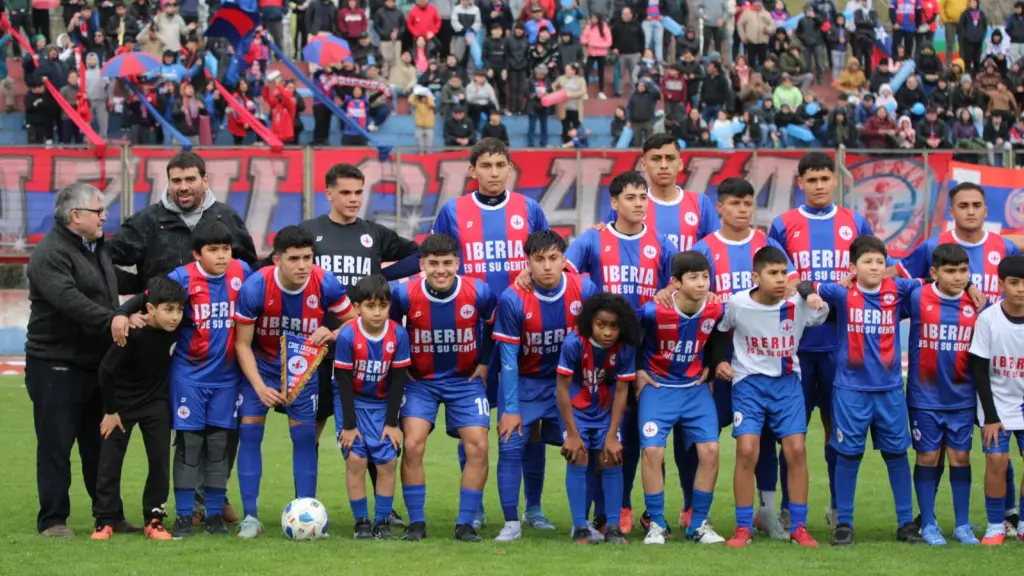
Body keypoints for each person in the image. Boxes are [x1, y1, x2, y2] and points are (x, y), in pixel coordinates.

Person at [106, 150, 255, 524]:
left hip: (221, 338)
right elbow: (108, 259)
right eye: (176, 180)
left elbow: (252, 273)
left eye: (191, 179)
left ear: (205, 180)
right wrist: (126, 307)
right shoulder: (147, 221)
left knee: (223, 431)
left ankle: (212, 498)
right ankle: (185, 504)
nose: (183, 187)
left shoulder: (226, 218)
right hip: (168, 338)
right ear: (168, 182)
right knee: (187, 429)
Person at [427, 138, 551, 527]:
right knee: (474, 425)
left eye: (501, 165)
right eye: (486, 166)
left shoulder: (529, 209)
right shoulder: (453, 211)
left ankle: (533, 508)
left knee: (528, 426)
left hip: (525, 331)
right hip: (472, 333)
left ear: (510, 168)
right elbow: (438, 261)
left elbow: (547, 256)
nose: (494, 173)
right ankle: (474, 509)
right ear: (472, 170)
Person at [891, 182, 1020, 532]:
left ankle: (1007, 513)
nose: (971, 211)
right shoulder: (933, 246)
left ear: (986, 210)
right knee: (936, 451)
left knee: (998, 442)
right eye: (962, 205)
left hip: (995, 366)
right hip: (945, 366)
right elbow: (902, 276)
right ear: (951, 210)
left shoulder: (1003, 246)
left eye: (977, 204)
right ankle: (927, 517)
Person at [297, 163, 420, 526]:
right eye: (346, 192)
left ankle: (383, 513)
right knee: (311, 430)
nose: (353, 199)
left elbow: (418, 255)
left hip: (371, 351)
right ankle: (305, 509)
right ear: (329, 193)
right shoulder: (310, 232)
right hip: (319, 350)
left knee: (374, 436)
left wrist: (381, 275)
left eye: (358, 192)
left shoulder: (374, 235)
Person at [768, 152, 877, 529]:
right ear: (800, 183)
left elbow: (871, 272)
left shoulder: (855, 222)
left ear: (835, 181)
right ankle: (785, 506)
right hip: (795, 348)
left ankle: (835, 506)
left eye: (824, 179)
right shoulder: (783, 224)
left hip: (841, 346)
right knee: (790, 431)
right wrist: (807, 289)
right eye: (810, 180)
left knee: (837, 430)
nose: (818, 186)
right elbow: (778, 276)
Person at [797, 235, 925, 546]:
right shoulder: (842, 292)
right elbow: (804, 285)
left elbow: (929, 283)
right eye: (868, 262)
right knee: (848, 454)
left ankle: (906, 522)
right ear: (853, 267)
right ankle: (845, 523)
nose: (875, 267)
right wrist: (812, 295)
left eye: (881, 262)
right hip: (851, 390)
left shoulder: (899, 290)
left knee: (896, 454)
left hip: (890, 389)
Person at [25, 183, 137, 537]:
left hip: (96, 364)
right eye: (98, 210)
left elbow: (113, 284)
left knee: (100, 444)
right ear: (76, 216)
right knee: (56, 443)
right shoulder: (49, 254)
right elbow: (69, 300)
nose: (105, 216)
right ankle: (53, 520)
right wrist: (114, 319)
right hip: (55, 364)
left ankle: (108, 515)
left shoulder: (96, 248)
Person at [232, 226, 356, 538]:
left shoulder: (324, 282)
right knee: (249, 433)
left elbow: (354, 321)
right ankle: (250, 518)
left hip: (303, 370)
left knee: (304, 440)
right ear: (276, 260)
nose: (303, 265)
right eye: (294, 259)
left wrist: (331, 333)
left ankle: (308, 513)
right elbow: (242, 344)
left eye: (307, 257)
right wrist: (259, 386)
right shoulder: (255, 287)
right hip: (261, 368)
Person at [691, 178, 797, 540]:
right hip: (717, 361)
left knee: (764, 436)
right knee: (700, 433)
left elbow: (795, 288)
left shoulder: (768, 245)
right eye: (735, 203)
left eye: (748, 204)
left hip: (762, 363)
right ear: (719, 207)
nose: (742, 210)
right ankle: (693, 509)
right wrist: (713, 357)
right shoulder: (704, 248)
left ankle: (765, 510)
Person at [712, 246, 827, 548]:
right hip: (748, 384)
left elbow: (821, 307)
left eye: (783, 273)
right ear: (756, 276)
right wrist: (719, 362)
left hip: (787, 384)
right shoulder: (737, 303)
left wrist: (808, 291)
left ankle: (799, 526)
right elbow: (719, 330)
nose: (779, 280)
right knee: (747, 450)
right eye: (772, 273)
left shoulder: (798, 303)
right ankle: (742, 527)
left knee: (797, 450)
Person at [492, 231, 598, 542]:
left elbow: (596, 343)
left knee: (582, 447)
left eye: (554, 258)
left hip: (568, 385)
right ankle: (512, 522)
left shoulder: (584, 289)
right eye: (539, 260)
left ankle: (581, 524)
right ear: (528, 263)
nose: (547, 267)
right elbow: (508, 359)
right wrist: (510, 409)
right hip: (527, 383)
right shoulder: (513, 299)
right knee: (511, 443)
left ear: (565, 261)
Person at [391, 234, 496, 542]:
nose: (440, 270)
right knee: (412, 444)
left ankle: (465, 524)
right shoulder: (404, 294)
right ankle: (417, 523)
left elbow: (493, 325)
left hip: (465, 382)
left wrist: (485, 362)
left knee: (478, 445)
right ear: (422, 264)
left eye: (447, 263)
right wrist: (402, 365)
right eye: (433, 263)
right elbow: (392, 331)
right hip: (421, 382)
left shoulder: (478, 291)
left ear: (457, 263)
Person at [634, 251, 726, 546]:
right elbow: (630, 335)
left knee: (711, 451)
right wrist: (637, 370)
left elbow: (720, 335)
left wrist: (712, 367)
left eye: (705, 277)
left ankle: (698, 523)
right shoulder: (653, 311)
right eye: (694, 277)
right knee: (652, 453)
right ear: (675, 282)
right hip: (659, 389)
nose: (701, 283)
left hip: (694, 389)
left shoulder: (715, 309)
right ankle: (657, 524)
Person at [91, 276, 185, 541]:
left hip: (156, 404)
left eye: (179, 310)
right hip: (120, 407)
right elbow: (106, 370)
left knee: (159, 462)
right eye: (168, 310)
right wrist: (110, 411)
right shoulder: (133, 333)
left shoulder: (177, 327)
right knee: (110, 463)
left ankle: (154, 519)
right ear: (150, 309)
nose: (175, 317)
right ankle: (104, 520)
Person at [903, 244, 981, 546]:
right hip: (924, 396)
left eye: (964, 271)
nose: (958, 277)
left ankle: (962, 525)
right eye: (950, 271)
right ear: (934, 272)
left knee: (960, 457)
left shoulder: (977, 303)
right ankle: (929, 523)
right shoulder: (917, 295)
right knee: (928, 456)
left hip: (962, 397)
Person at [556, 292, 638, 545]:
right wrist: (571, 433)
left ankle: (612, 527)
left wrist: (613, 435)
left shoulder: (624, 349)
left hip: (605, 411)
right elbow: (561, 388)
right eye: (601, 325)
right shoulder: (573, 343)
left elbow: (622, 390)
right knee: (578, 456)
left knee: (612, 458)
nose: (607, 332)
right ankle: (580, 527)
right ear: (590, 322)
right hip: (576, 410)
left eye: (614, 326)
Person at [334, 275, 410, 540]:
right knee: (356, 459)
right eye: (370, 306)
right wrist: (349, 426)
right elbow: (343, 383)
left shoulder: (398, 334)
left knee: (387, 461)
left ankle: (382, 523)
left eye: (383, 306)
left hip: (382, 406)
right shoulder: (347, 335)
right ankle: (362, 523)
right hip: (352, 403)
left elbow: (398, 380)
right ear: (357, 308)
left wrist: (392, 423)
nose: (377, 312)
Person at [971, 255, 1024, 545]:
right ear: (1001, 283)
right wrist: (990, 416)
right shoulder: (988, 319)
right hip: (996, 404)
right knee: (996, 460)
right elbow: (979, 370)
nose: (1020, 289)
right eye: (1014, 283)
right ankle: (995, 526)